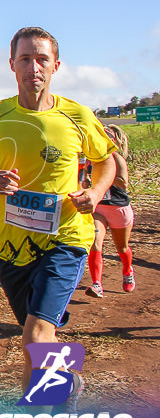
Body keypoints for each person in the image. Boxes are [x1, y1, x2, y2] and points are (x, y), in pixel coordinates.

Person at [0, 26, 115, 399]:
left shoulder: (77, 115)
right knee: (38, 335)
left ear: (56, 65)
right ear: (12, 65)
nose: (34, 67)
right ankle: (67, 383)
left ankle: (39, 417)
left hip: (66, 239)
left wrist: (95, 191)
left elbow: (106, 162)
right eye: (25, 59)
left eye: (41, 59)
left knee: (36, 333)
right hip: (10, 246)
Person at [84, 124, 135, 297]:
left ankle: (128, 270)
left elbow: (124, 183)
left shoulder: (117, 158)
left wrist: (106, 176)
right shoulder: (91, 160)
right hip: (99, 208)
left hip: (118, 208)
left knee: (121, 247)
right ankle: (97, 284)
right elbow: (84, 181)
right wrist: (87, 184)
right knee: (95, 244)